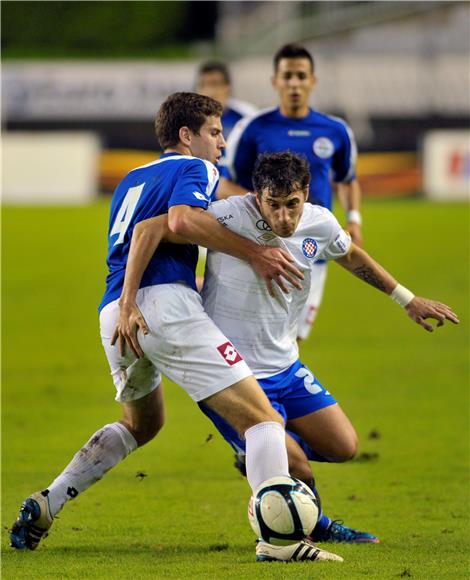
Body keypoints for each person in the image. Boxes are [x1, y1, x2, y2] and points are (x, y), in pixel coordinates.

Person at [10, 93, 341, 564]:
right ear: (186, 136)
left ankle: (49, 502)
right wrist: (255, 253)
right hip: (164, 308)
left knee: (143, 424)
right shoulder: (197, 169)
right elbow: (180, 220)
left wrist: (126, 302)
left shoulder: (130, 178)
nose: (223, 143)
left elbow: (142, 232)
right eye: (214, 132)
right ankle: (279, 542)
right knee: (263, 420)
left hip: (116, 314)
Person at [113, 151, 459, 550]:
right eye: (272, 205)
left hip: (286, 365)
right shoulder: (227, 215)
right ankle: (313, 523)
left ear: (305, 195)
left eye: (291, 205)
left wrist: (407, 299)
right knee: (297, 467)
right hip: (233, 374)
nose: (282, 218)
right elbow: (150, 228)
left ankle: (258, 454)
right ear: (257, 197)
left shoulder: (319, 222)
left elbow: (350, 255)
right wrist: (129, 300)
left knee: (344, 446)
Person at [219, 43, 364, 341]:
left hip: (314, 250)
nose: (294, 83)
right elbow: (226, 184)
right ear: (275, 81)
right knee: (256, 337)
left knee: (292, 338)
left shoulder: (335, 130)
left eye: (301, 76)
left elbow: (348, 179)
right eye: (288, 76)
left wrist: (353, 218)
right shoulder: (252, 129)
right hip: (263, 247)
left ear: (313, 80)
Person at [195, 60, 257, 141]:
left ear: (228, 88)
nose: (208, 92)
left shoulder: (247, 117)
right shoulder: (186, 122)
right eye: (203, 85)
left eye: (214, 84)